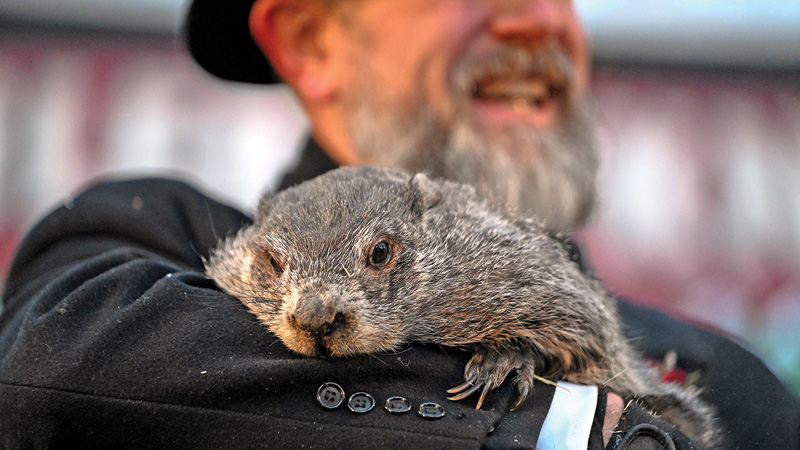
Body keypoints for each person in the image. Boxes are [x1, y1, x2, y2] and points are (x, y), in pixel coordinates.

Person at [0, 0, 797, 448]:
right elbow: (60, 370)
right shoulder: (147, 241)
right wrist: (568, 427)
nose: (536, 19)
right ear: (313, 39)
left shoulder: (727, 381)